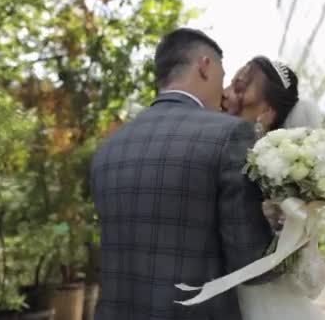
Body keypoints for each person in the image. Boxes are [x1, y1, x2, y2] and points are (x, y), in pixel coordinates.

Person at [91, 28, 275, 320]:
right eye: (222, 76)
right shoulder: (228, 134)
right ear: (204, 66)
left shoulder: (108, 149)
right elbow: (251, 264)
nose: (224, 91)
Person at [222, 56, 325, 320]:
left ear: (266, 112)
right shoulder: (226, 149)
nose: (225, 94)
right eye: (232, 83)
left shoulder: (280, 174)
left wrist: (281, 224)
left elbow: (307, 272)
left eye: (240, 88)